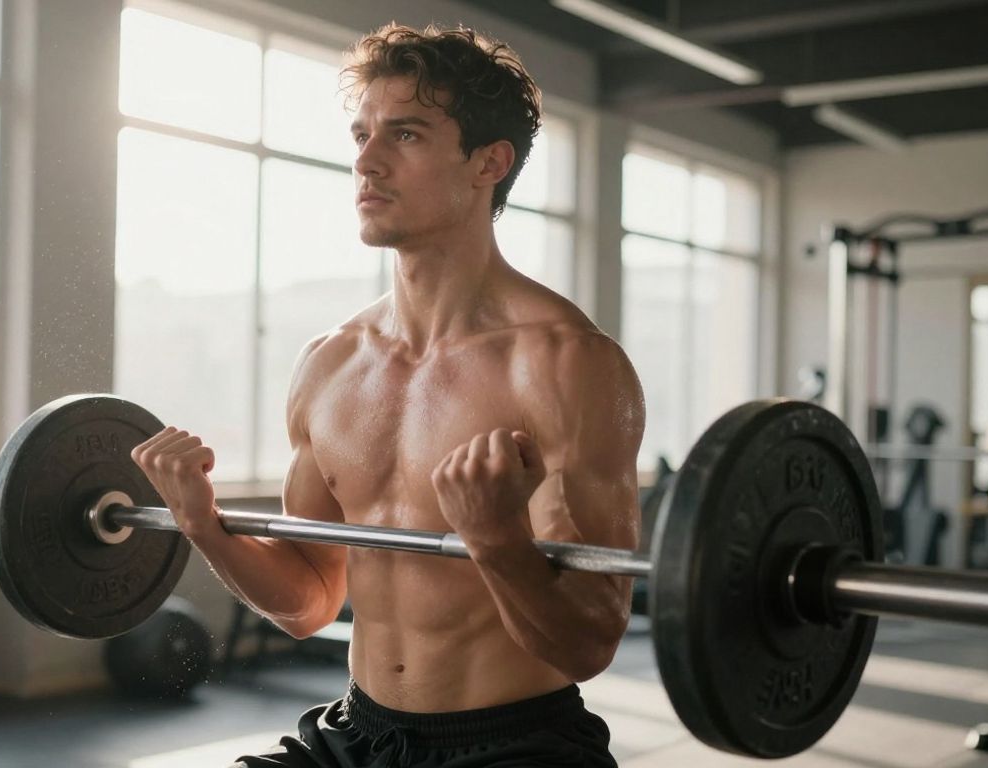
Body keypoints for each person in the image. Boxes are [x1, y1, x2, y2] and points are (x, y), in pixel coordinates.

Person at [132, 22, 645, 768]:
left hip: (517, 744)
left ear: (489, 162)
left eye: (405, 135)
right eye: (361, 135)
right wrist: (203, 523)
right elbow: (309, 601)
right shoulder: (330, 364)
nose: (366, 161)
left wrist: (498, 541)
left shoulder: (567, 365)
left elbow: (589, 645)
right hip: (356, 733)